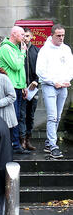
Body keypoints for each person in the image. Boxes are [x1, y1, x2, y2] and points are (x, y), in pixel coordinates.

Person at [36, 23, 73, 158]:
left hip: (63, 86)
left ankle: (48, 142)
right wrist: (53, 82)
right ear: (52, 35)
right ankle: (53, 145)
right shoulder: (45, 50)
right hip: (50, 86)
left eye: (63, 35)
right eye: (58, 35)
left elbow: (70, 68)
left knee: (57, 116)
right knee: (52, 116)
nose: (61, 38)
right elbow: (40, 70)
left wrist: (66, 80)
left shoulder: (66, 49)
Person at [0, 26, 29, 154]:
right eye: (21, 34)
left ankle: (15, 144)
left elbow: (21, 71)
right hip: (10, 87)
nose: (23, 37)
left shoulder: (15, 48)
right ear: (14, 34)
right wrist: (22, 53)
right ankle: (13, 145)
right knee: (12, 117)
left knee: (18, 116)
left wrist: (23, 86)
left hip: (18, 87)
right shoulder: (6, 48)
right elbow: (16, 66)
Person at [19, 28, 40, 151]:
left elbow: (41, 69)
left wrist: (36, 81)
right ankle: (21, 140)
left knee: (30, 116)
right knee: (21, 115)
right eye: (23, 36)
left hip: (33, 89)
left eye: (27, 36)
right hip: (21, 88)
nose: (25, 38)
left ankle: (28, 139)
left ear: (31, 36)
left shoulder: (36, 51)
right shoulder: (17, 50)